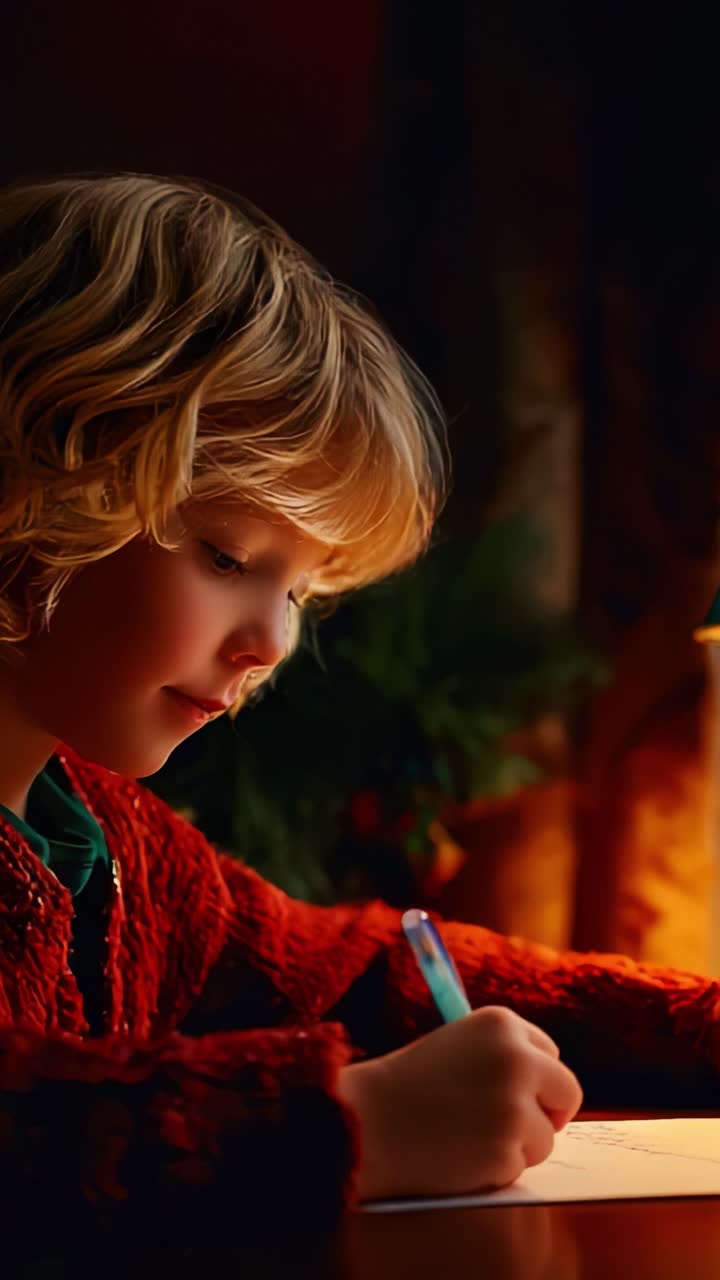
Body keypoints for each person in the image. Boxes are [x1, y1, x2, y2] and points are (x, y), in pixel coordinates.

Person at [0, 172, 717, 1247]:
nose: (272, 641)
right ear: (33, 485)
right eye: (228, 555)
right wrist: (345, 1123)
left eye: (297, 589)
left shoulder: (110, 836)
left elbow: (352, 966)